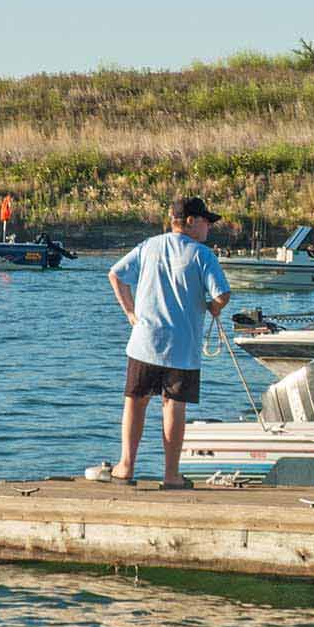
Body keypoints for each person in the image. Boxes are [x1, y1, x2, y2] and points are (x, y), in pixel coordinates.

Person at [105, 196, 231, 487]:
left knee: (135, 402)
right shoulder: (202, 254)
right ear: (190, 221)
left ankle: (125, 467)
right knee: (173, 405)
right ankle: (171, 474)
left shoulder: (149, 245)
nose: (209, 227)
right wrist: (214, 308)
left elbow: (115, 274)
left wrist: (130, 313)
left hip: (145, 340)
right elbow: (222, 294)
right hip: (183, 346)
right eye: (206, 222)